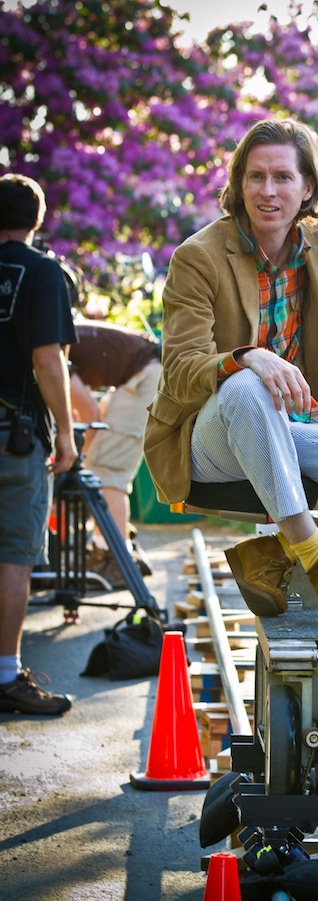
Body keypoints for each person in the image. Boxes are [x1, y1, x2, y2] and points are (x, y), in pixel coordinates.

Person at [144, 118, 318, 619]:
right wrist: (247, 355)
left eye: (282, 177)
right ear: (238, 184)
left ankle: (276, 553)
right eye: (255, 177)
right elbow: (181, 370)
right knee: (248, 383)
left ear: (308, 189)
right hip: (209, 435)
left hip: (288, 426)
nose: (267, 191)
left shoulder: (313, 238)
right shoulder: (198, 257)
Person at [0, 173, 78, 715]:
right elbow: (48, 359)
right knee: (13, 556)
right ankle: (6, 674)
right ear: (38, 218)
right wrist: (68, 432)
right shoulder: (45, 274)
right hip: (16, 438)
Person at [68, 318, 161, 587]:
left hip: (145, 376)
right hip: (139, 375)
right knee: (105, 469)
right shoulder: (60, 329)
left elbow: (88, 413)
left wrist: (79, 458)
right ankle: (109, 549)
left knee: (107, 471)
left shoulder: (46, 346)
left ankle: (117, 561)